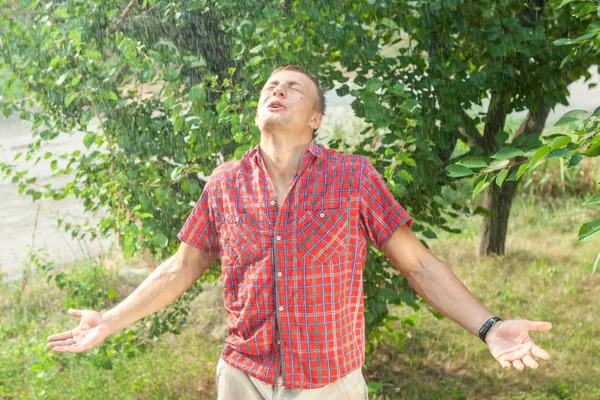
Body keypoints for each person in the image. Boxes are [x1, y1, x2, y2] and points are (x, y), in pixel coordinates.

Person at [47, 65, 552, 399]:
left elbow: (417, 263)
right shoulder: (225, 183)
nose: (276, 90)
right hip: (245, 377)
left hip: (329, 382)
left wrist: (489, 327)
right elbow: (180, 267)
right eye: (270, 86)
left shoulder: (353, 177)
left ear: (314, 119)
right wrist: (109, 320)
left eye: (292, 87)